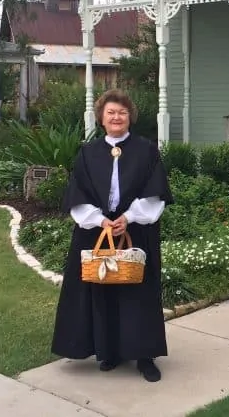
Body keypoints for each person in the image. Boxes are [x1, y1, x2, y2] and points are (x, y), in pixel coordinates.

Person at [51, 89, 174, 382]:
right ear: (101, 118)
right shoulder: (88, 152)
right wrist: (101, 221)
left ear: (130, 116)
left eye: (121, 112)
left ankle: (144, 356)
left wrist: (128, 218)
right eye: (111, 113)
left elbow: (154, 192)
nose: (116, 117)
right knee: (102, 291)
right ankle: (108, 352)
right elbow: (77, 193)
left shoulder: (146, 150)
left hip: (137, 232)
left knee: (138, 294)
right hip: (96, 233)